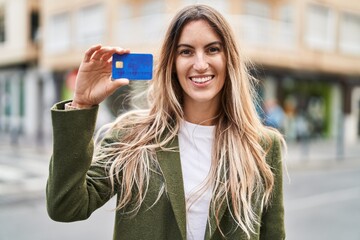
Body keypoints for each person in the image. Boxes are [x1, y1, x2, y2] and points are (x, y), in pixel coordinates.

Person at [46, 4, 286, 240]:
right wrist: (82, 105)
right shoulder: (131, 136)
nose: (200, 64)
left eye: (213, 49)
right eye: (186, 51)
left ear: (229, 59)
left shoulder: (263, 146)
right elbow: (66, 206)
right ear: (172, 63)